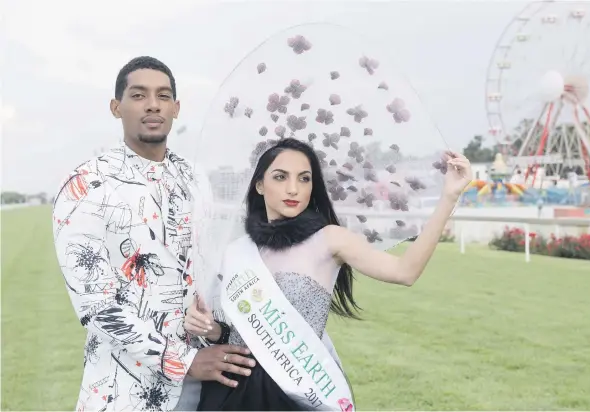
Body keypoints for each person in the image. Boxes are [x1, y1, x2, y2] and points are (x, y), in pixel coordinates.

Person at [184, 138, 472, 410]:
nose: (293, 189)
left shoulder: (329, 239)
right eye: (281, 177)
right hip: (230, 391)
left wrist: (449, 197)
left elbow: (405, 271)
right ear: (259, 184)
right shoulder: (238, 251)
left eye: (304, 178)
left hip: (293, 394)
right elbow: (240, 333)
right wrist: (214, 331)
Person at [52, 56, 255, 412]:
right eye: (138, 95)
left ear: (176, 108)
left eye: (163, 95)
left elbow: (206, 274)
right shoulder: (86, 186)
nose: (152, 104)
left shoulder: (194, 180)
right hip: (123, 391)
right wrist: (183, 361)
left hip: (201, 387)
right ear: (116, 107)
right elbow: (97, 306)